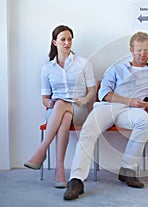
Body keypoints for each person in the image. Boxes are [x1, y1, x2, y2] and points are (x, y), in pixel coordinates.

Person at [63, 31, 148, 200]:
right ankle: (76, 180)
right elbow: (104, 94)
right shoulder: (116, 69)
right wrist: (130, 101)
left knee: (145, 120)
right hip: (108, 107)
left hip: (129, 112)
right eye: (139, 50)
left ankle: (127, 170)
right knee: (89, 131)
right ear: (131, 50)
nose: (142, 53)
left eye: (146, 50)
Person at [24, 25, 96, 188]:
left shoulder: (84, 63)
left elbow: (92, 91)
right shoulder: (47, 68)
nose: (67, 42)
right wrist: (48, 103)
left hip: (79, 108)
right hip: (56, 111)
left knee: (63, 107)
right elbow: (44, 98)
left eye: (69, 39)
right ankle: (60, 171)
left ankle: (42, 151)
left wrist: (84, 100)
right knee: (63, 114)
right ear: (54, 42)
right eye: (63, 39)